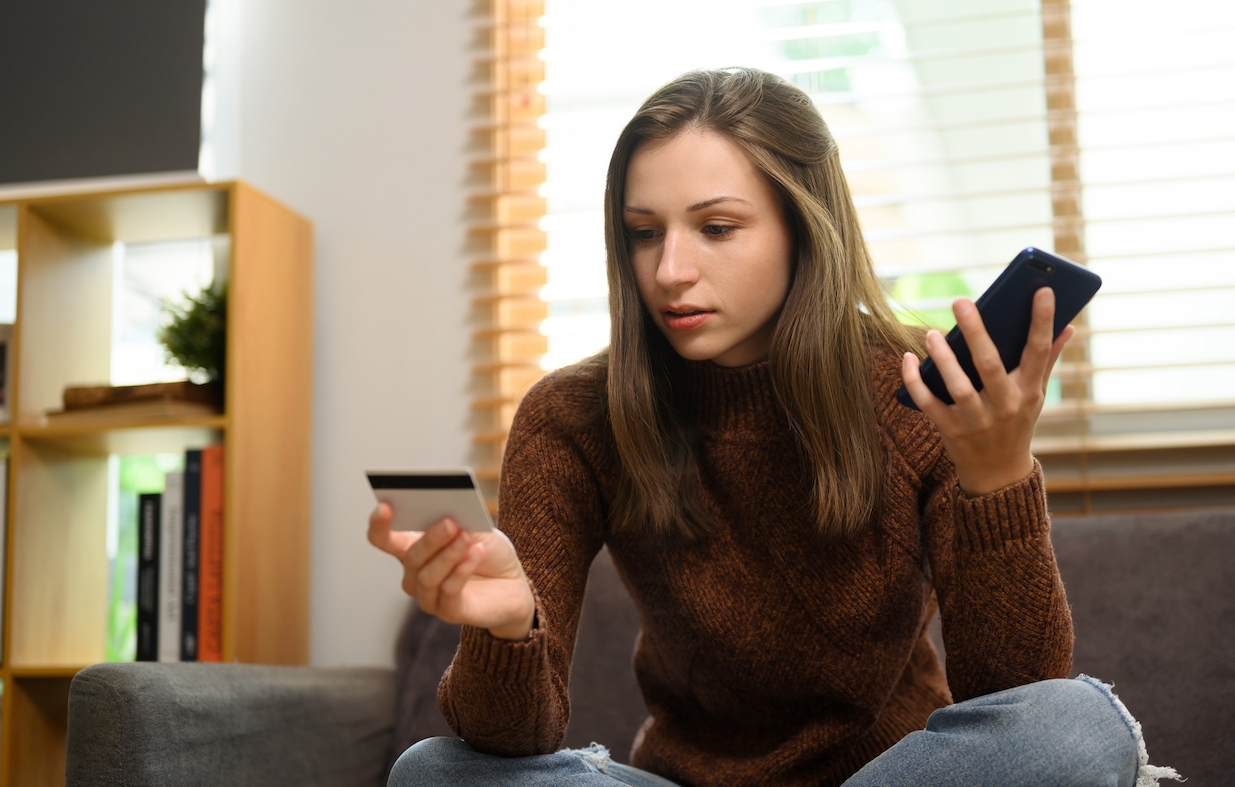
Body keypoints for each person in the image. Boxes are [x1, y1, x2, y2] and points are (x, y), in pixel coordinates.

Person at [370, 67, 1181, 786]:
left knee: (1078, 723)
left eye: (717, 228)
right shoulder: (574, 417)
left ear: (804, 227)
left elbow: (1018, 704)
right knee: (434, 772)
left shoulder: (914, 392)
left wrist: (997, 474)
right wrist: (511, 626)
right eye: (644, 232)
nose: (669, 271)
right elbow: (512, 742)